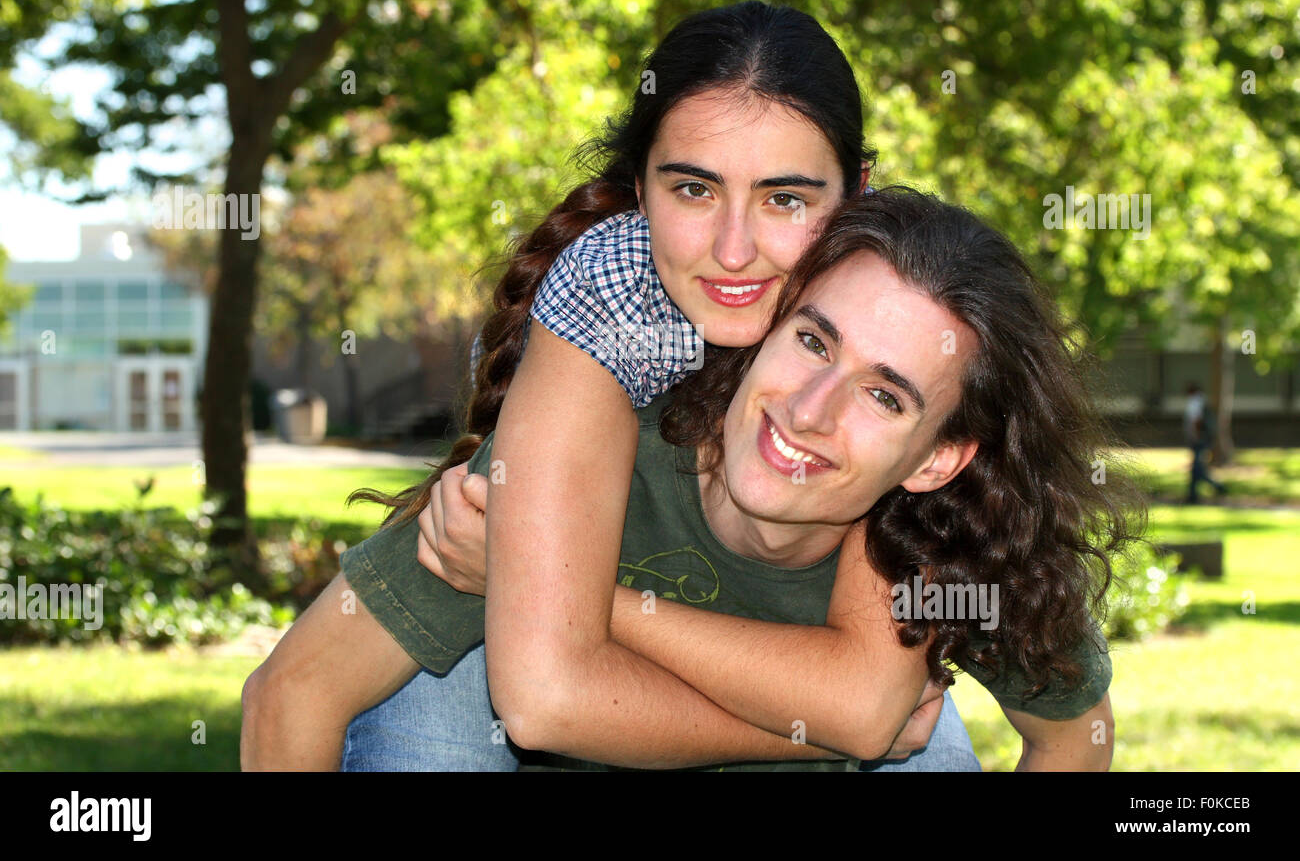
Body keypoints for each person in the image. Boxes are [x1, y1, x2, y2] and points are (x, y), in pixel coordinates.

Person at [242, 188, 1136, 772]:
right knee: (432, 701)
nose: (811, 410)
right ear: (769, 323)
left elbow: (1074, 735)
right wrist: (541, 572)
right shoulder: (587, 452)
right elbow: (289, 696)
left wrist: (578, 597)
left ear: (941, 455)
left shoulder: (955, 545)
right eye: (814, 342)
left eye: (884, 395)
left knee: (922, 749)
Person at [1184, 382, 1226, 504]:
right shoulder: (1203, 401)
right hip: (1203, 439)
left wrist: (1196, 437)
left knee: (1197, 468)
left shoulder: (1195, 402)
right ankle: (1194, 494)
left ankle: (1196, 494)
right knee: (1197, 468)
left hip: (1199, 440)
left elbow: (1196, 420)